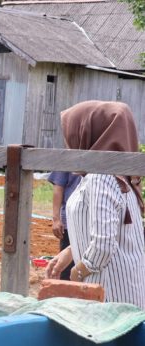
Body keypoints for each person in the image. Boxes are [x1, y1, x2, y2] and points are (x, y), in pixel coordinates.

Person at [47, 101, 145, 309]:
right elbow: (111, 230)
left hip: (109, 296)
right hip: (122, 293)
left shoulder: (101, 176)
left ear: (87, 133)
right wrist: (71, 252)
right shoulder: (116, 175)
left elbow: (103, 245)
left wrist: (78, 272)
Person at [47, 171, 82, 280]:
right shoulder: (67, 155)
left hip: (92, 222)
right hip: (70, 221)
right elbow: (58, 187)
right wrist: (56, 219)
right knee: (67, 269)